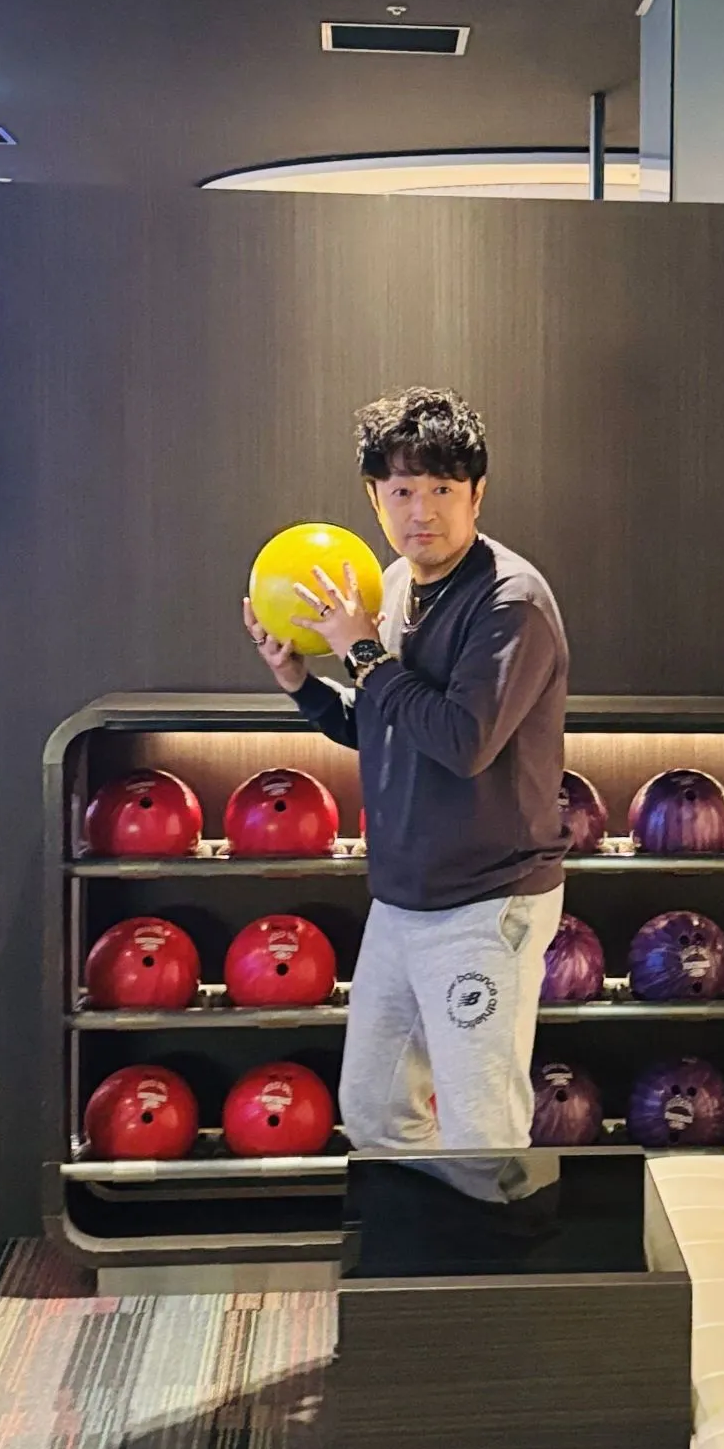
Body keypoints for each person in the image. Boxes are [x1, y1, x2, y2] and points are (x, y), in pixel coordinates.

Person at [242, 387, 568, 1164]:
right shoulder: (388, 587)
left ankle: (492, 1244)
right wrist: (301, 684)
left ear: (477, 493)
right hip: (401, 899)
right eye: (402, 491)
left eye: (443, 490)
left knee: (483, 1131)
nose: (422, 512)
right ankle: (428, 1240)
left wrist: (361, 651)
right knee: (375, 1108)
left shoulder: (510, 601)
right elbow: (381, 723)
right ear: (374, 498)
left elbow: (461, 741)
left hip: (486, 903)